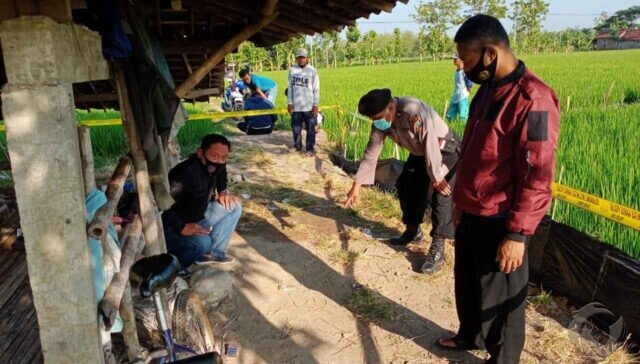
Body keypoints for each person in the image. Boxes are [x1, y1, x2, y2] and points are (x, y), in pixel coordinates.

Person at [436, 15, 560, 364]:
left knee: (499, 302)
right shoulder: (486, 92)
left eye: (467, 58)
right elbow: (474, 152)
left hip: (502, 220)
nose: (463, 65)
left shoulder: (533, 100)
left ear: (489, 53)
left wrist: (518, 235)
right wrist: (460, 201)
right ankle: (469, 335)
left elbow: (537, 174)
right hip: (472, 211)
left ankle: (502, 358)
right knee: (469, 285)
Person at [344, 89, 460, 275]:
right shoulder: (380, 122)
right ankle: (413, 231)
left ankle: (438, 248)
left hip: (444, 151)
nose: (377, 122)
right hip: (421, 154)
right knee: (406, 184)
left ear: (391, 107)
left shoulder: (413, 111)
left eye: (379, 117)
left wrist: (437, 178)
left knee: (441, 194)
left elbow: (430, 143)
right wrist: (356, 185)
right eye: (373, 119)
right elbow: (372, 152)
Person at [162, 134, 242, 275]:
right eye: (215, 156)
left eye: (223, 158)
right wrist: (182, 227)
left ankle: (213, 253)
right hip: (175, 225)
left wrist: (223, 191)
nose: (219, 161)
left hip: (199, 215)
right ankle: (179, 264)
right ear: (200, 153)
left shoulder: (216, 166)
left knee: (234, 206)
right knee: (203, 243)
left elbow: (222, 173)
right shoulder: (183, 175)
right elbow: (162, 206)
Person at [287, 48, 320, 156]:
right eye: (299, 57)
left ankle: (310, 149)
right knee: (296, 128)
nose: (301, 59)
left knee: (311, 129)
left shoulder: (312, 71)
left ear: (307, 58)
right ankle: (297, 146)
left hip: (309, 107)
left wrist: (315, 105)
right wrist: (290, 103)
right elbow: (290, 88)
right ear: (296, 58)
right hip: (296, 106)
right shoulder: (292, 70)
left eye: (303, 57)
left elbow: (316, 89)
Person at [446, 57, 471, 122]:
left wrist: (467, 92)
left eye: (455, 59)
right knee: (449, 115)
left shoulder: (465, 71)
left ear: (460, 60)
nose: (454, 60)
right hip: (456, 95)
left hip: (463, 96)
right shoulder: (457, 71)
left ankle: (462, 128)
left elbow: (469, 84)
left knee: (463, 116)